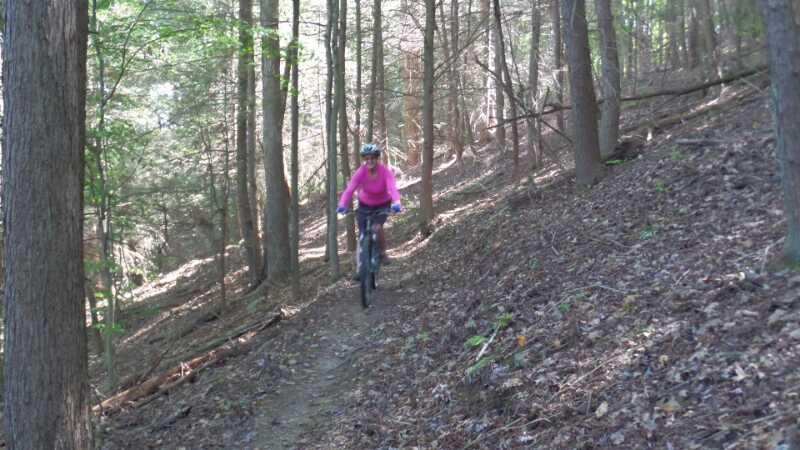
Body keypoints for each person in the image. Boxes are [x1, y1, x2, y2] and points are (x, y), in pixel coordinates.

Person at [337, 143, 402, 266]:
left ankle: (382, 253)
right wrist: (342, 204)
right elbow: (350, 189)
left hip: (382, 203)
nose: (370, 161)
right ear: (364, 160)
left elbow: (392, 188)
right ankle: (360, 267)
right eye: (367, 159)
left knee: (377, 227)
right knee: (362, 234)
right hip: (365, 204)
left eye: (372, 158)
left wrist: (397, 202)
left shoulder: (385, 171)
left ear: (377, 158)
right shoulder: (360, 172)